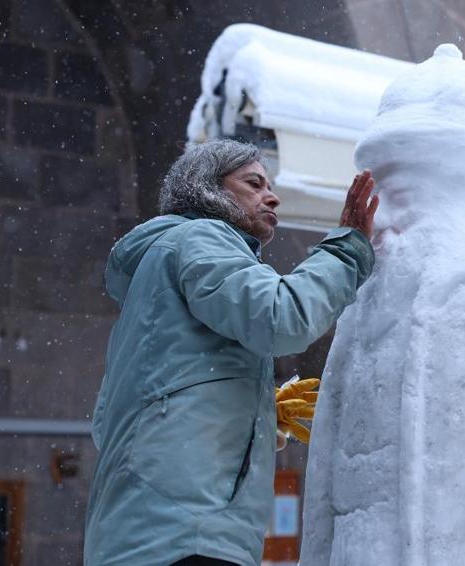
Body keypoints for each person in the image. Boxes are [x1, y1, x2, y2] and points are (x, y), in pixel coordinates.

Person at [83, 139, 379, 566]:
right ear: (208, 190)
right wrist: (346, 249)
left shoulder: (157, 274)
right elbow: (282, 317)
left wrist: (252, 411)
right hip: (186, 534)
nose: (272, 195)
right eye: (254, 183)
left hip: (150, 533)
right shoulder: (202, 236)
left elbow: (125, 415)